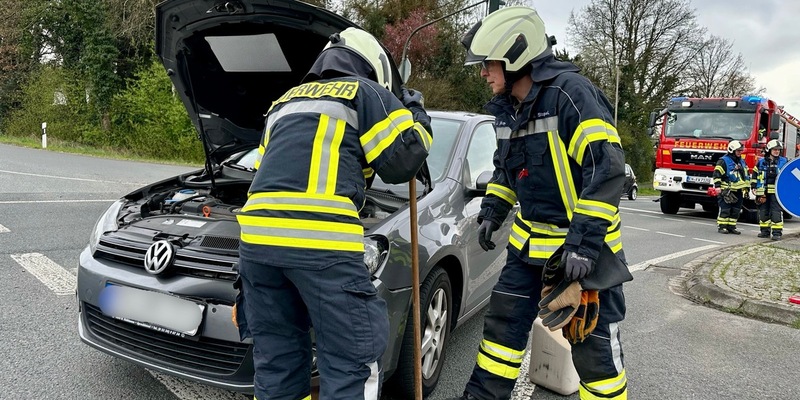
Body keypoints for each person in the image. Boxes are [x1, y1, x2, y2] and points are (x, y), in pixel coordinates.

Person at [232, 27, 433, 400]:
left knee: (277, 362)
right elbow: (404, 159)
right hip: (320, 247)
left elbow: (264, 167)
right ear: (374, 68)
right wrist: (415, 113)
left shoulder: (283, 103)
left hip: (257, 246)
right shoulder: (365, 92)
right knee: (350, 363)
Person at [452, 6, 631, 400]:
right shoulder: (506, 110)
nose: (483, 73)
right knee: (500, 338)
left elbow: (607, 168)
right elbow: (507, 171)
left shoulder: (571, 95)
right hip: (528, 250)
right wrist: (493, 211)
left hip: (583, 255)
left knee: (595, 356)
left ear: (515, 56)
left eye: (488, 64)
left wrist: (583, 246)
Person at [711, 140, 750, 234]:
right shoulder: (723, 161)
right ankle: (722, 226)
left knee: (736, 210)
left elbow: (746, 174)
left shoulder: (741, 161)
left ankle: (732, 226)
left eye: (741, 151)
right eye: (738, 151)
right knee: (725, 209)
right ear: (732, 150)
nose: (740, 152)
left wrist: (747, 188)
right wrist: (717, 187)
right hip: (726, 190)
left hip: (739, 190)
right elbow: (717, 174)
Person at [752, 139, 788, 240]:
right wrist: (753, 186)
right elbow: (755, 175)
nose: (777, 151)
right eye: (774, 149)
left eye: (778, 150)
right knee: (763, 212)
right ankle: (764, 231)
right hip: (763, 192)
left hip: (777, 193)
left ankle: (777, 233)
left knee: (776, 212)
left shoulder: (784, 161)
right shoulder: (761, 162)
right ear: (769, 150)